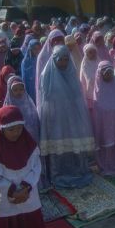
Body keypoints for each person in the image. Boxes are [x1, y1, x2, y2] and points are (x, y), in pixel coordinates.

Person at [38, 45, 94, 188]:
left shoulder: (71, 72)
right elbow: (46, 99)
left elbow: (77, 95)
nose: (63, 63)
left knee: (74, 144)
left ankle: (77, 171)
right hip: (55, 117)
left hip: (72, 115)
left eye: (65, 60)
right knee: (59, 146)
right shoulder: (47, 74)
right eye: (60, 60)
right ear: (54, 59)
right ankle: (59, 174)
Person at [3, 75, 40, 143]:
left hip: (31, 134)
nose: (18, 92)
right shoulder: (8, 104)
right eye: (15, 90)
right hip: (16, 135)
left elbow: (35, 118)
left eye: (21, 89)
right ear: (10, 91)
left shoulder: (29, 102)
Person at [80, 44, 99, 112]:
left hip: (99, 91)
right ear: (86, 53)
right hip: (89, 92)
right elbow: (88, 79)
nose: (93, 54)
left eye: (94, 52)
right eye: (90, 52)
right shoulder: (85, 64)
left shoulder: (98, 61)